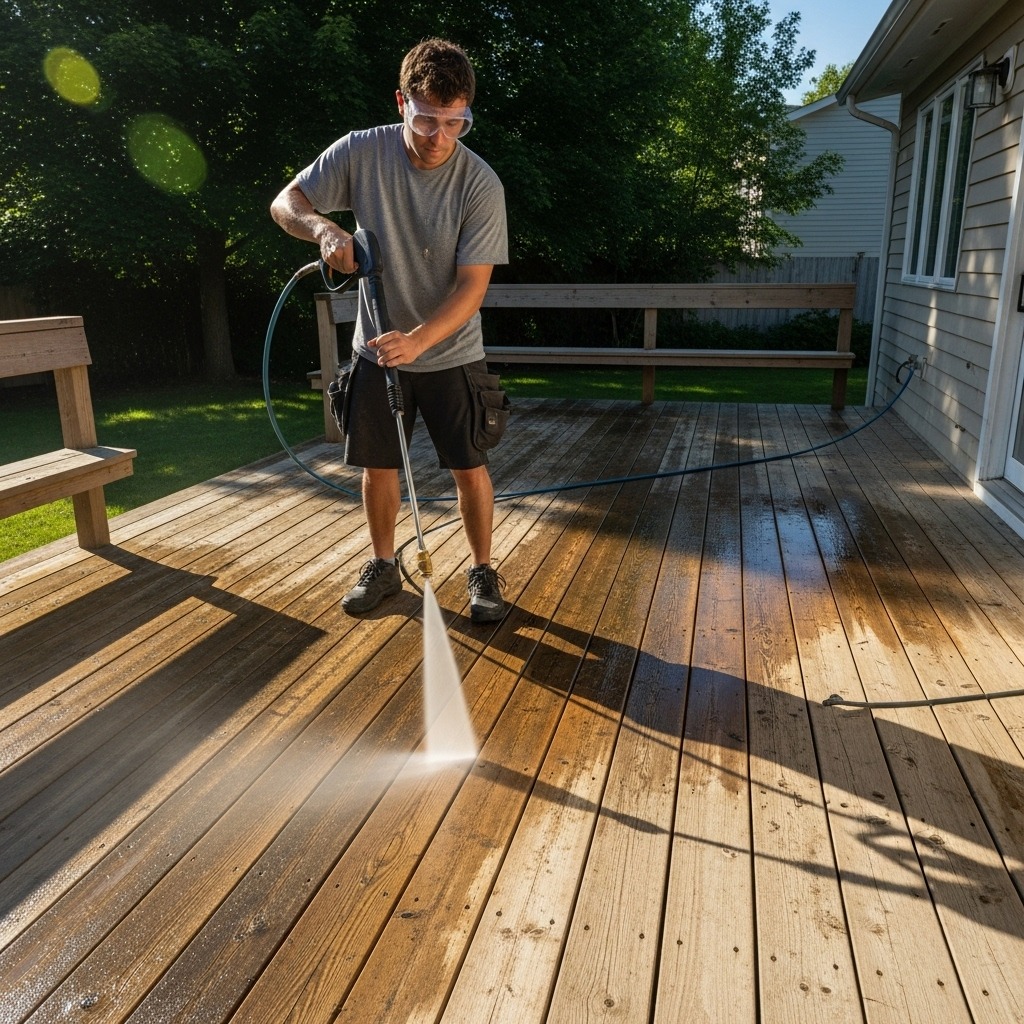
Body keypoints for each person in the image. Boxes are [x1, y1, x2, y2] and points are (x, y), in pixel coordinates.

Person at [271, 38, 509, 623]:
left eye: (457, 123)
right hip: (377, 349)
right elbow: (285, 201)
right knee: (378, 465)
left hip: (451, 351)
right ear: (402, 101)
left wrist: (420, 341)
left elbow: (472, 289)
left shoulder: (481, 184)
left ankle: (482, 569)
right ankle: (382, 565)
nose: (438, 137)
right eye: (426, 118)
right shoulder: (361, 151)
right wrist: (324, 230)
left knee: (468, 466)